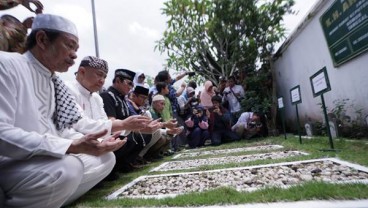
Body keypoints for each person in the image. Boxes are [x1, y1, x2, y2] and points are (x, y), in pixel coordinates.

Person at [0, 14, 125, 208]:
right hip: (11, 162)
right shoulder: (7, 65)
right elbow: (2, 134)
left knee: (105, 158)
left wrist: (94, 144)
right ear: (42, 39)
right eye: (69, 45)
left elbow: (63, 129)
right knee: (68, 169)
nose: (74, 55)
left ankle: (48, 200)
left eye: (76, 49)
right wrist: (70, 146)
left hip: (46, 157)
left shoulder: (53, 81)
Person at [100, 69, 160, 173]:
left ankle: (125, 164)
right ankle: (113, 169)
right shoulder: (108, 95)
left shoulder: (122, 99)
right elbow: (111, 121)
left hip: (125, 130)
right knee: (133, 137)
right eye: (129, 83)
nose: (131, 87)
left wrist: (144, 125)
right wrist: (130, 127)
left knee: (144, 135)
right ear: (118, 81)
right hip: (112, 133)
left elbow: (129, 120)